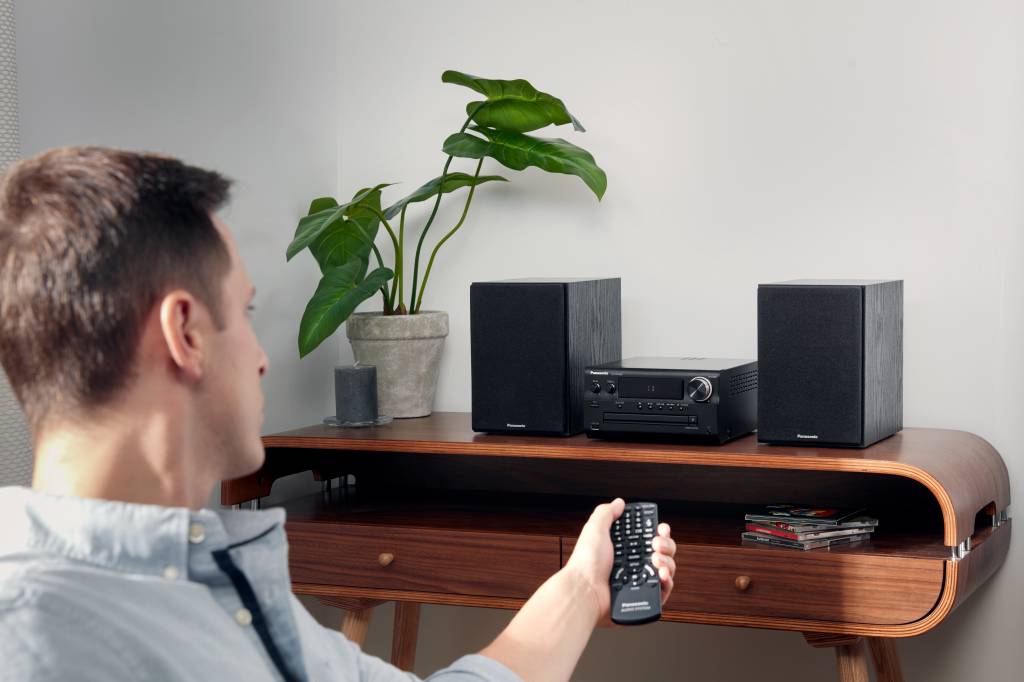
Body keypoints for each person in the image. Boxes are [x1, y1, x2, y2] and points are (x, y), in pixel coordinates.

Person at [0, 147, 677, 682]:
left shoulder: (206, 584)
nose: (264, 358)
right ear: (185, 332)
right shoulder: (33, 636)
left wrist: (583, 587)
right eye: (246, 314)